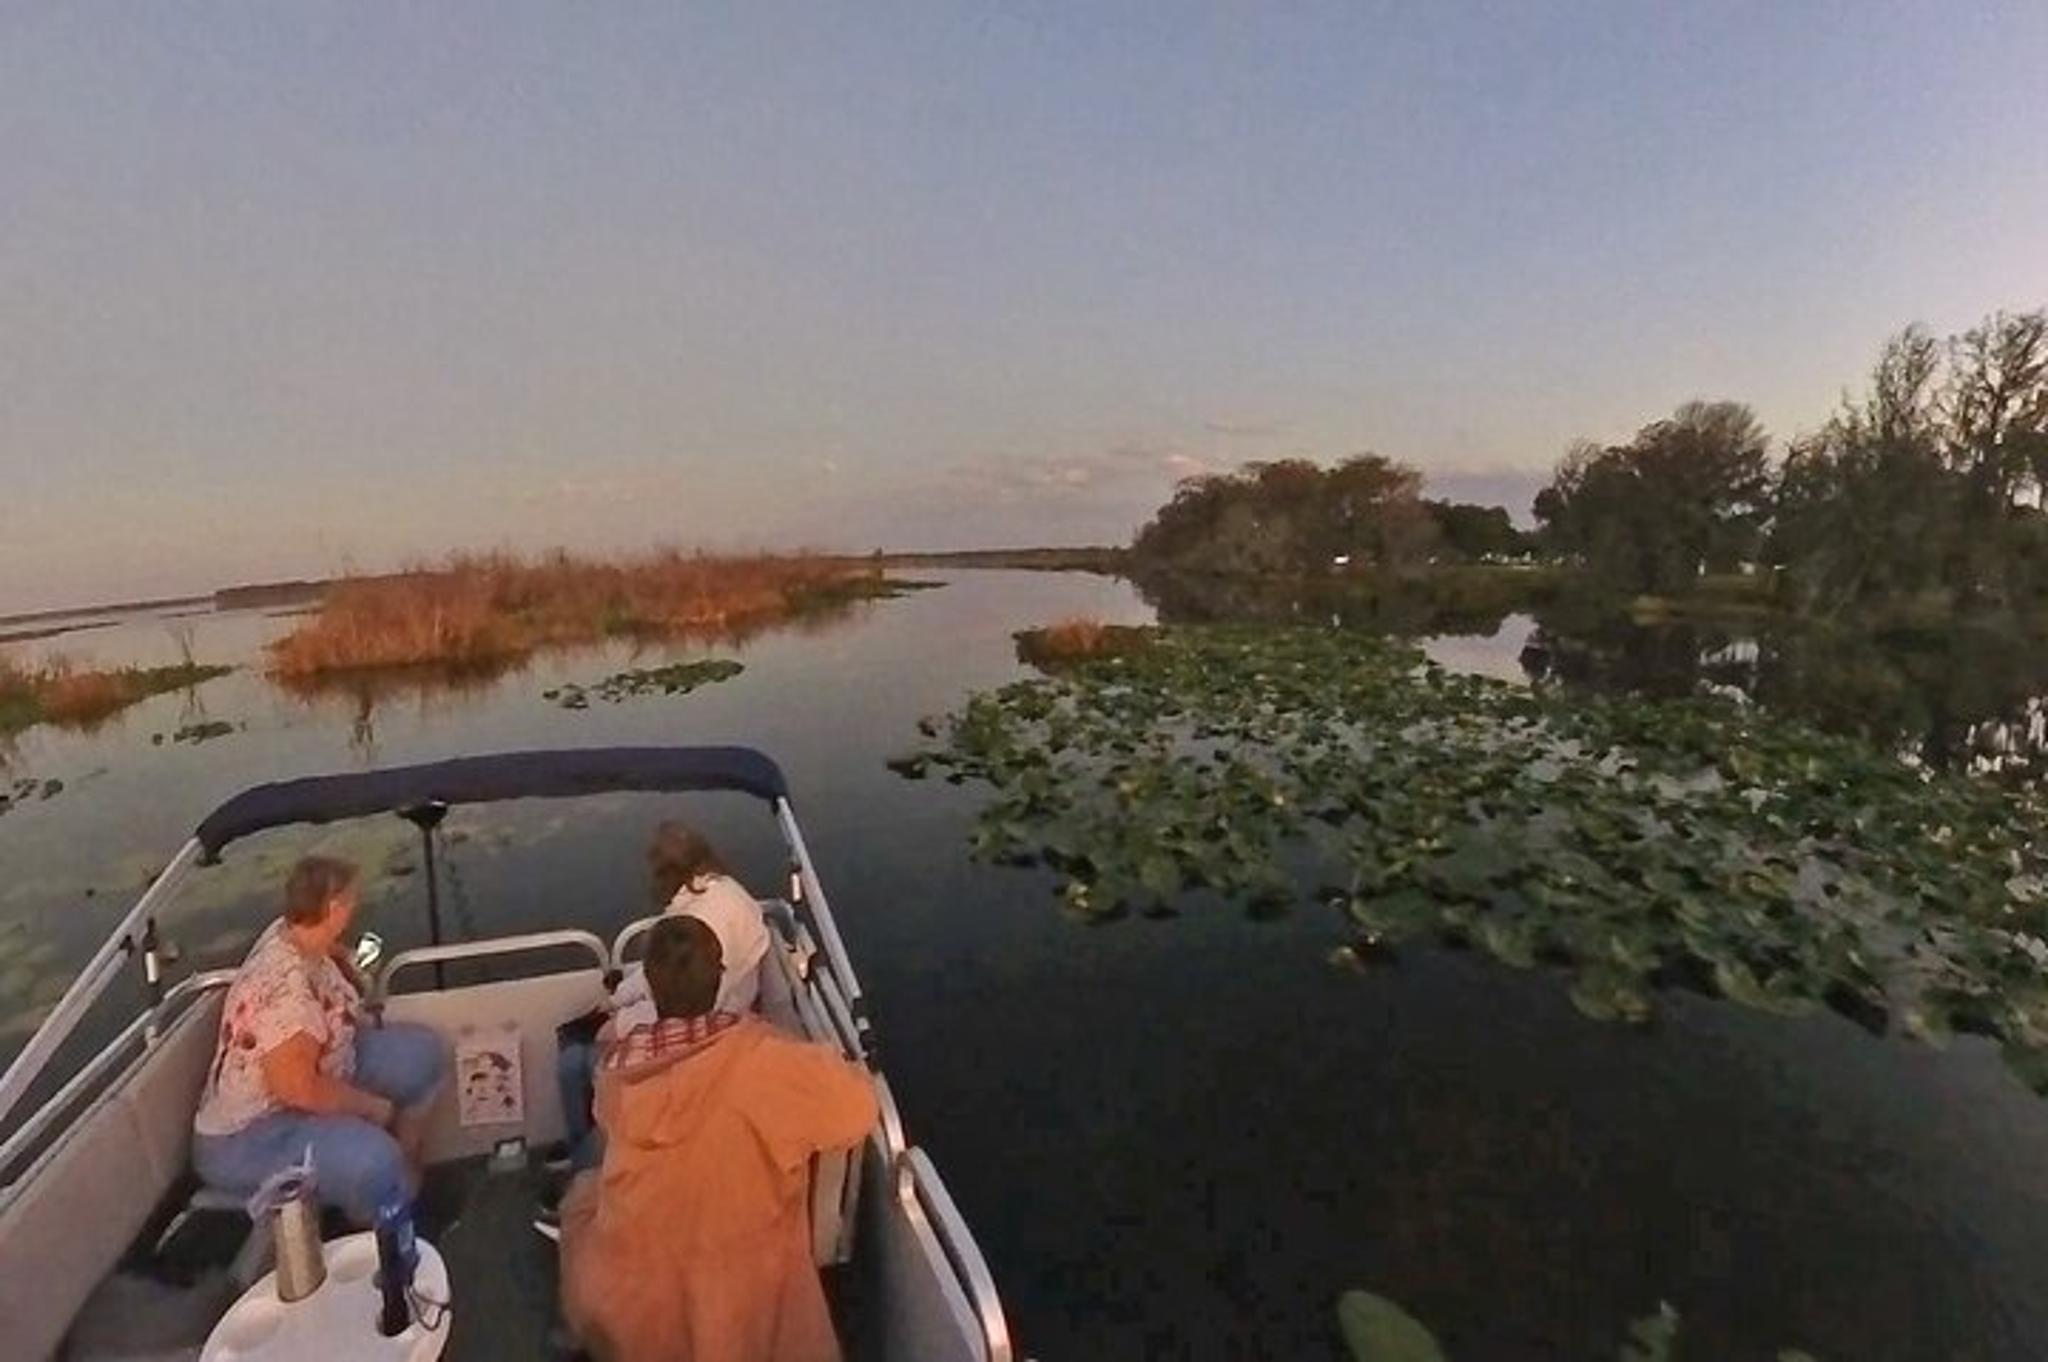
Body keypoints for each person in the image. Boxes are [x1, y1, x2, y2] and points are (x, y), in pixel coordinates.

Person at [558, 915, 876, 1362]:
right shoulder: (767, 1063)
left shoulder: (615, 1076)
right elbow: (857, 1109)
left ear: (650, 983)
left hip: (635, 1296)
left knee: (582, 1195)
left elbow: (609, 1131)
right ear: (721, 977)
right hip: (744, 1279)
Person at [192, 856, 448, 1223]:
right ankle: (385, 1227)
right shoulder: (289, 998)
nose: (356, 907)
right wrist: (373, 1108)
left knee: (423, 1055)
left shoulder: (290, 931)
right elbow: (296, 1089)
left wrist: (342, 956)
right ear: (333, 907)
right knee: (377, 1162)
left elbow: (321, 952)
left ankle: (405, 1179)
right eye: (351, 900)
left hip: (331, 1062)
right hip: (255, 1134)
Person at [554, 821, 790, 1170]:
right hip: (712, 1015)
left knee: (574, 1063)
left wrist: (620, 1022)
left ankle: (586, 1163)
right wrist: (617, 1000)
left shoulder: (703, 927)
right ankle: (588, 1151)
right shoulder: (719, 892)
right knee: (586, 1043)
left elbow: (690, 1004)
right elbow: (667, 976)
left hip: (706, 1026)